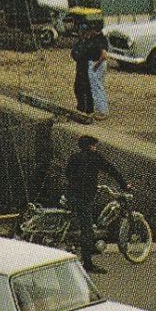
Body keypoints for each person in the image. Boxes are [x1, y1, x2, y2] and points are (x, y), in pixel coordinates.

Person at [65, 136, 128, 273]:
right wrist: (124, 184)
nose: (95, 148)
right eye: (94, 145)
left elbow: (68, 174)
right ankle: (88, 264)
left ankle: (80, 246)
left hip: (71, 195)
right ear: (91, 146)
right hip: (83, 197)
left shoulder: (74, 157)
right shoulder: (94, 157)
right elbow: (111, 169)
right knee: (87, 230)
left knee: (81, 221)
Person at [70, 20, 107, 116]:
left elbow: (103, 55)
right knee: (79, 88)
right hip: (82, 66)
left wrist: (95, 65)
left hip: (88, 65)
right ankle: (82, 107)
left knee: (90, 88)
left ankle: (92, 109)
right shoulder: (83, 42)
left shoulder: (96, 40)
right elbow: (74, 53)